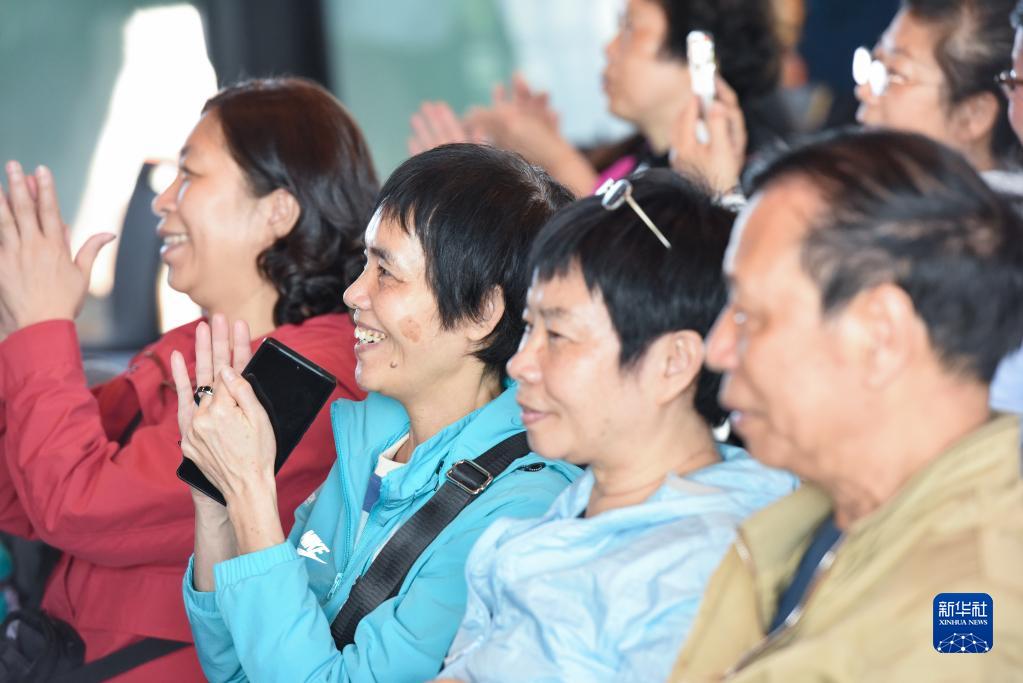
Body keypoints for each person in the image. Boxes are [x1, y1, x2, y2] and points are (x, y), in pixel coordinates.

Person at [0, 77, 378, 680]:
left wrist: (43, 329)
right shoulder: (193, 345)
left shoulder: (311, 380)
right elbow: (20, 491)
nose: (163, 202)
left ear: (277, 212)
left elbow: (75, 505)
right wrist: (19, 332)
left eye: (190, 175)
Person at [177, 144, 582, 682]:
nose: (353, 293)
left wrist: (251, 491)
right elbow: (233, 668)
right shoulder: (371, 442)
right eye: (364, 264)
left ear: (482, 312)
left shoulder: (519, 511)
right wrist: (217, 502)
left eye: (386, 272)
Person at [666, 129, 1023, 681]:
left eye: (749, 315)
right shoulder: (822, 521)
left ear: (880, 336)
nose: (717, 349)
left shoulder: (969, 613)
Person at [430, 170, 797, 683]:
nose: (520, 363)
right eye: (530, 327)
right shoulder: (578, 506)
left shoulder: (700, 570)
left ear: (673, 362)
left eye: (558, 335)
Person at [409, 0, 790, 197]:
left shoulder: (752, 178)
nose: (609, 48)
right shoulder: (630, 156)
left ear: (698, 54)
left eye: (630, 28)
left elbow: (644, 272)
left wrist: (558, 160)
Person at [853, 0, 1023, 415]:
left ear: (973, 114)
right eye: (874, 65)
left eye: (894, 74)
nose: (864, 91)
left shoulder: (965, 241)